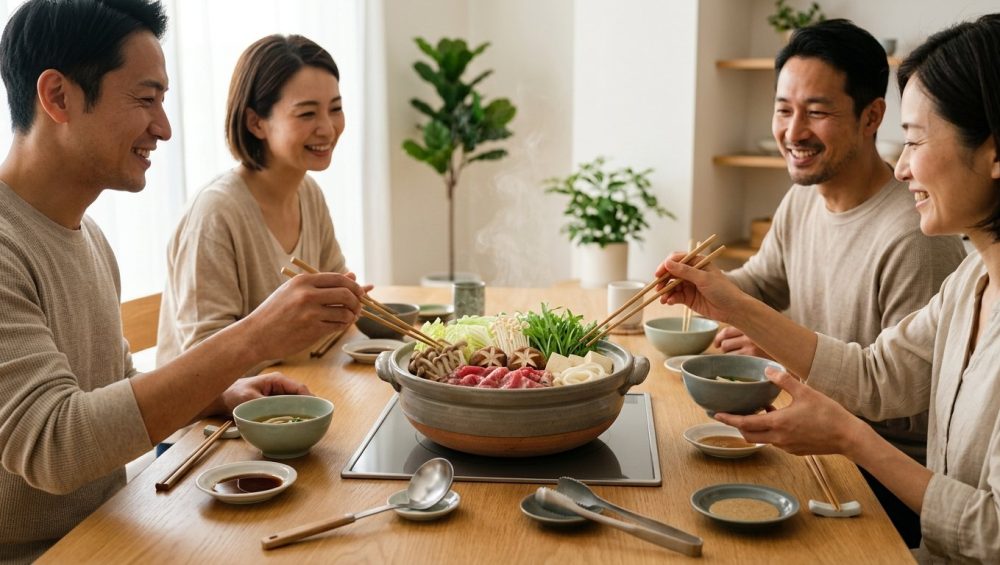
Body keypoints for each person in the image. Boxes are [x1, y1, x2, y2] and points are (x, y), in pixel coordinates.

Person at [0, 1, 362, 561]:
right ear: (57, 97)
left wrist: (217, 395)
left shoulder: (88, 235)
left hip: (109, 527)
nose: (163, 128)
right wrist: (255, 336)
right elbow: (55, 447)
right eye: (145, 99)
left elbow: (112, 383)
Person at [658, 13, 1000, 563]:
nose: (902, 167)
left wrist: (849, 436)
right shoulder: (972, 280)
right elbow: (873, 373)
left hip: (891, 498)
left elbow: (991, 531)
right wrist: (724, 299)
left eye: (914, 142)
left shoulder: (917, 240)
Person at [157, 34, 356, 367]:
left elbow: (338, 300)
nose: (327, 128)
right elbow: (201, 358)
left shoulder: (309, 193)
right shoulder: (216, 212)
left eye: (335, 108)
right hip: (219, 414)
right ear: (256, 122)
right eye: (307, 114)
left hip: (297, 390)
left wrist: (347, 302)